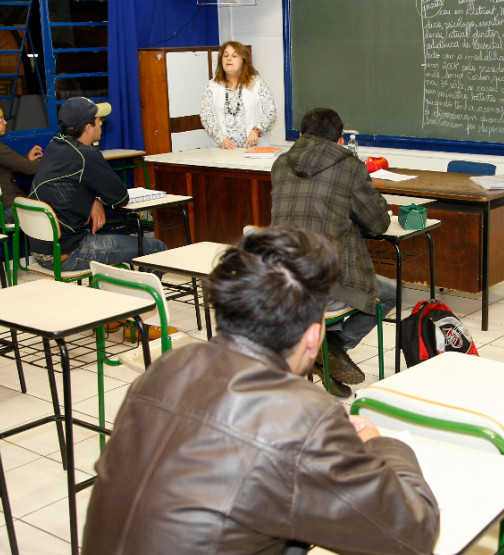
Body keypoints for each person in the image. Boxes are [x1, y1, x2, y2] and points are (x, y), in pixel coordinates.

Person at [82, 225, 440, 554]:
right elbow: (413, 535)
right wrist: (381, 444)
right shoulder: (302, 417)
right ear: (314, 337)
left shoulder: (167, 367)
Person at [271, 107, 397, 397]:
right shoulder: (349, 166)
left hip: (281, 280)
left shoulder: (280, 164)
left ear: (300, 135)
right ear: (340, 141)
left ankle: (322, 349)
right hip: (325, 281)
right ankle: (334, 344)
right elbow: (378, 224)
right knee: (391, 293)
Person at [27, 96, 166, 271]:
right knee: (156, 247)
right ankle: (145, 290)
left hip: (42, 249)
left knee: (110, 235)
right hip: (68, 252)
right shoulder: (86, 155)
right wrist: (96, 199)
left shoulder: (55, 144)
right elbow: (120, 198)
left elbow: (69, 186)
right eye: (97, 119)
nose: (101, 122)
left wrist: (93, 200)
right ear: (87, 128)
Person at [200, 40, 276, 150]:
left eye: (234, 56)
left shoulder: (257, 83)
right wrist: (222, 139)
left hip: (254, 149)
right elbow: (206, 117)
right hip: (223, 150)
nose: (228, 59)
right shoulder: (212, 86)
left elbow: (271, 112)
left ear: (243, 61)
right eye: (225, 55)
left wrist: (256, 130)